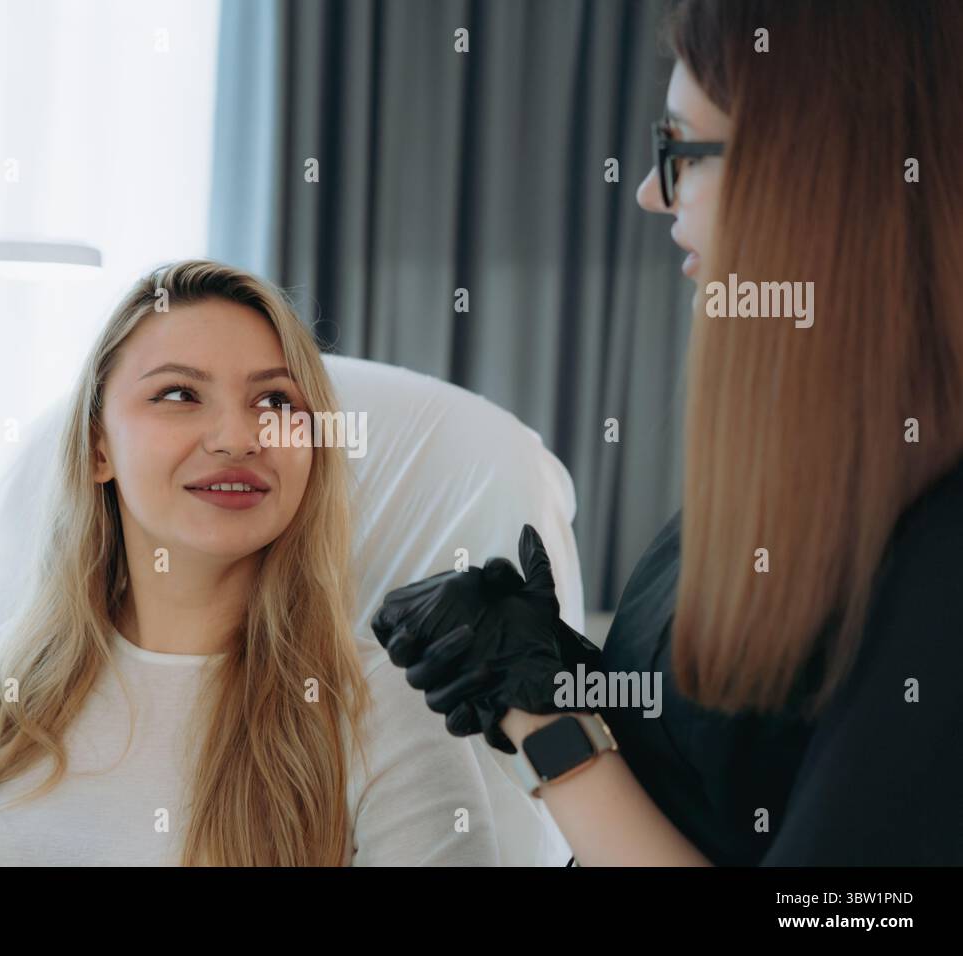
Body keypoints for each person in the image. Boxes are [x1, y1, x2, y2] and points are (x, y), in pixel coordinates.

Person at [372, 0, 963, 866]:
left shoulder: (941, 554)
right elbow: (721, 770)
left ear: (823, 178)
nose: (653, 193)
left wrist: (548, 726)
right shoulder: (799, 485)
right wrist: (561, 672)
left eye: (681, 151)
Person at [0, 259, 500, 866]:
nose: (236, 437)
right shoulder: (2, 676)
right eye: (178, 394)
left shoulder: (379, 708)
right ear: (99, 448)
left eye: (275, 400)